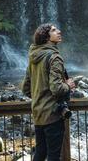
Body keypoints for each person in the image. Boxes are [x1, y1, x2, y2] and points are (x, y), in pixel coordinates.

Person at [22, 23, 76, 161]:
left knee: (40, 153)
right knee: (53, 156)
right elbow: (57, 88)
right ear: (46, 37)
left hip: (38, 114)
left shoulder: (33, 56)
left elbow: (26, 88)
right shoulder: (54, 57)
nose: (59, 31)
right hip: (52, 115)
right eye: (54, 30)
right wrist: (68, 86)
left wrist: (40, 98)